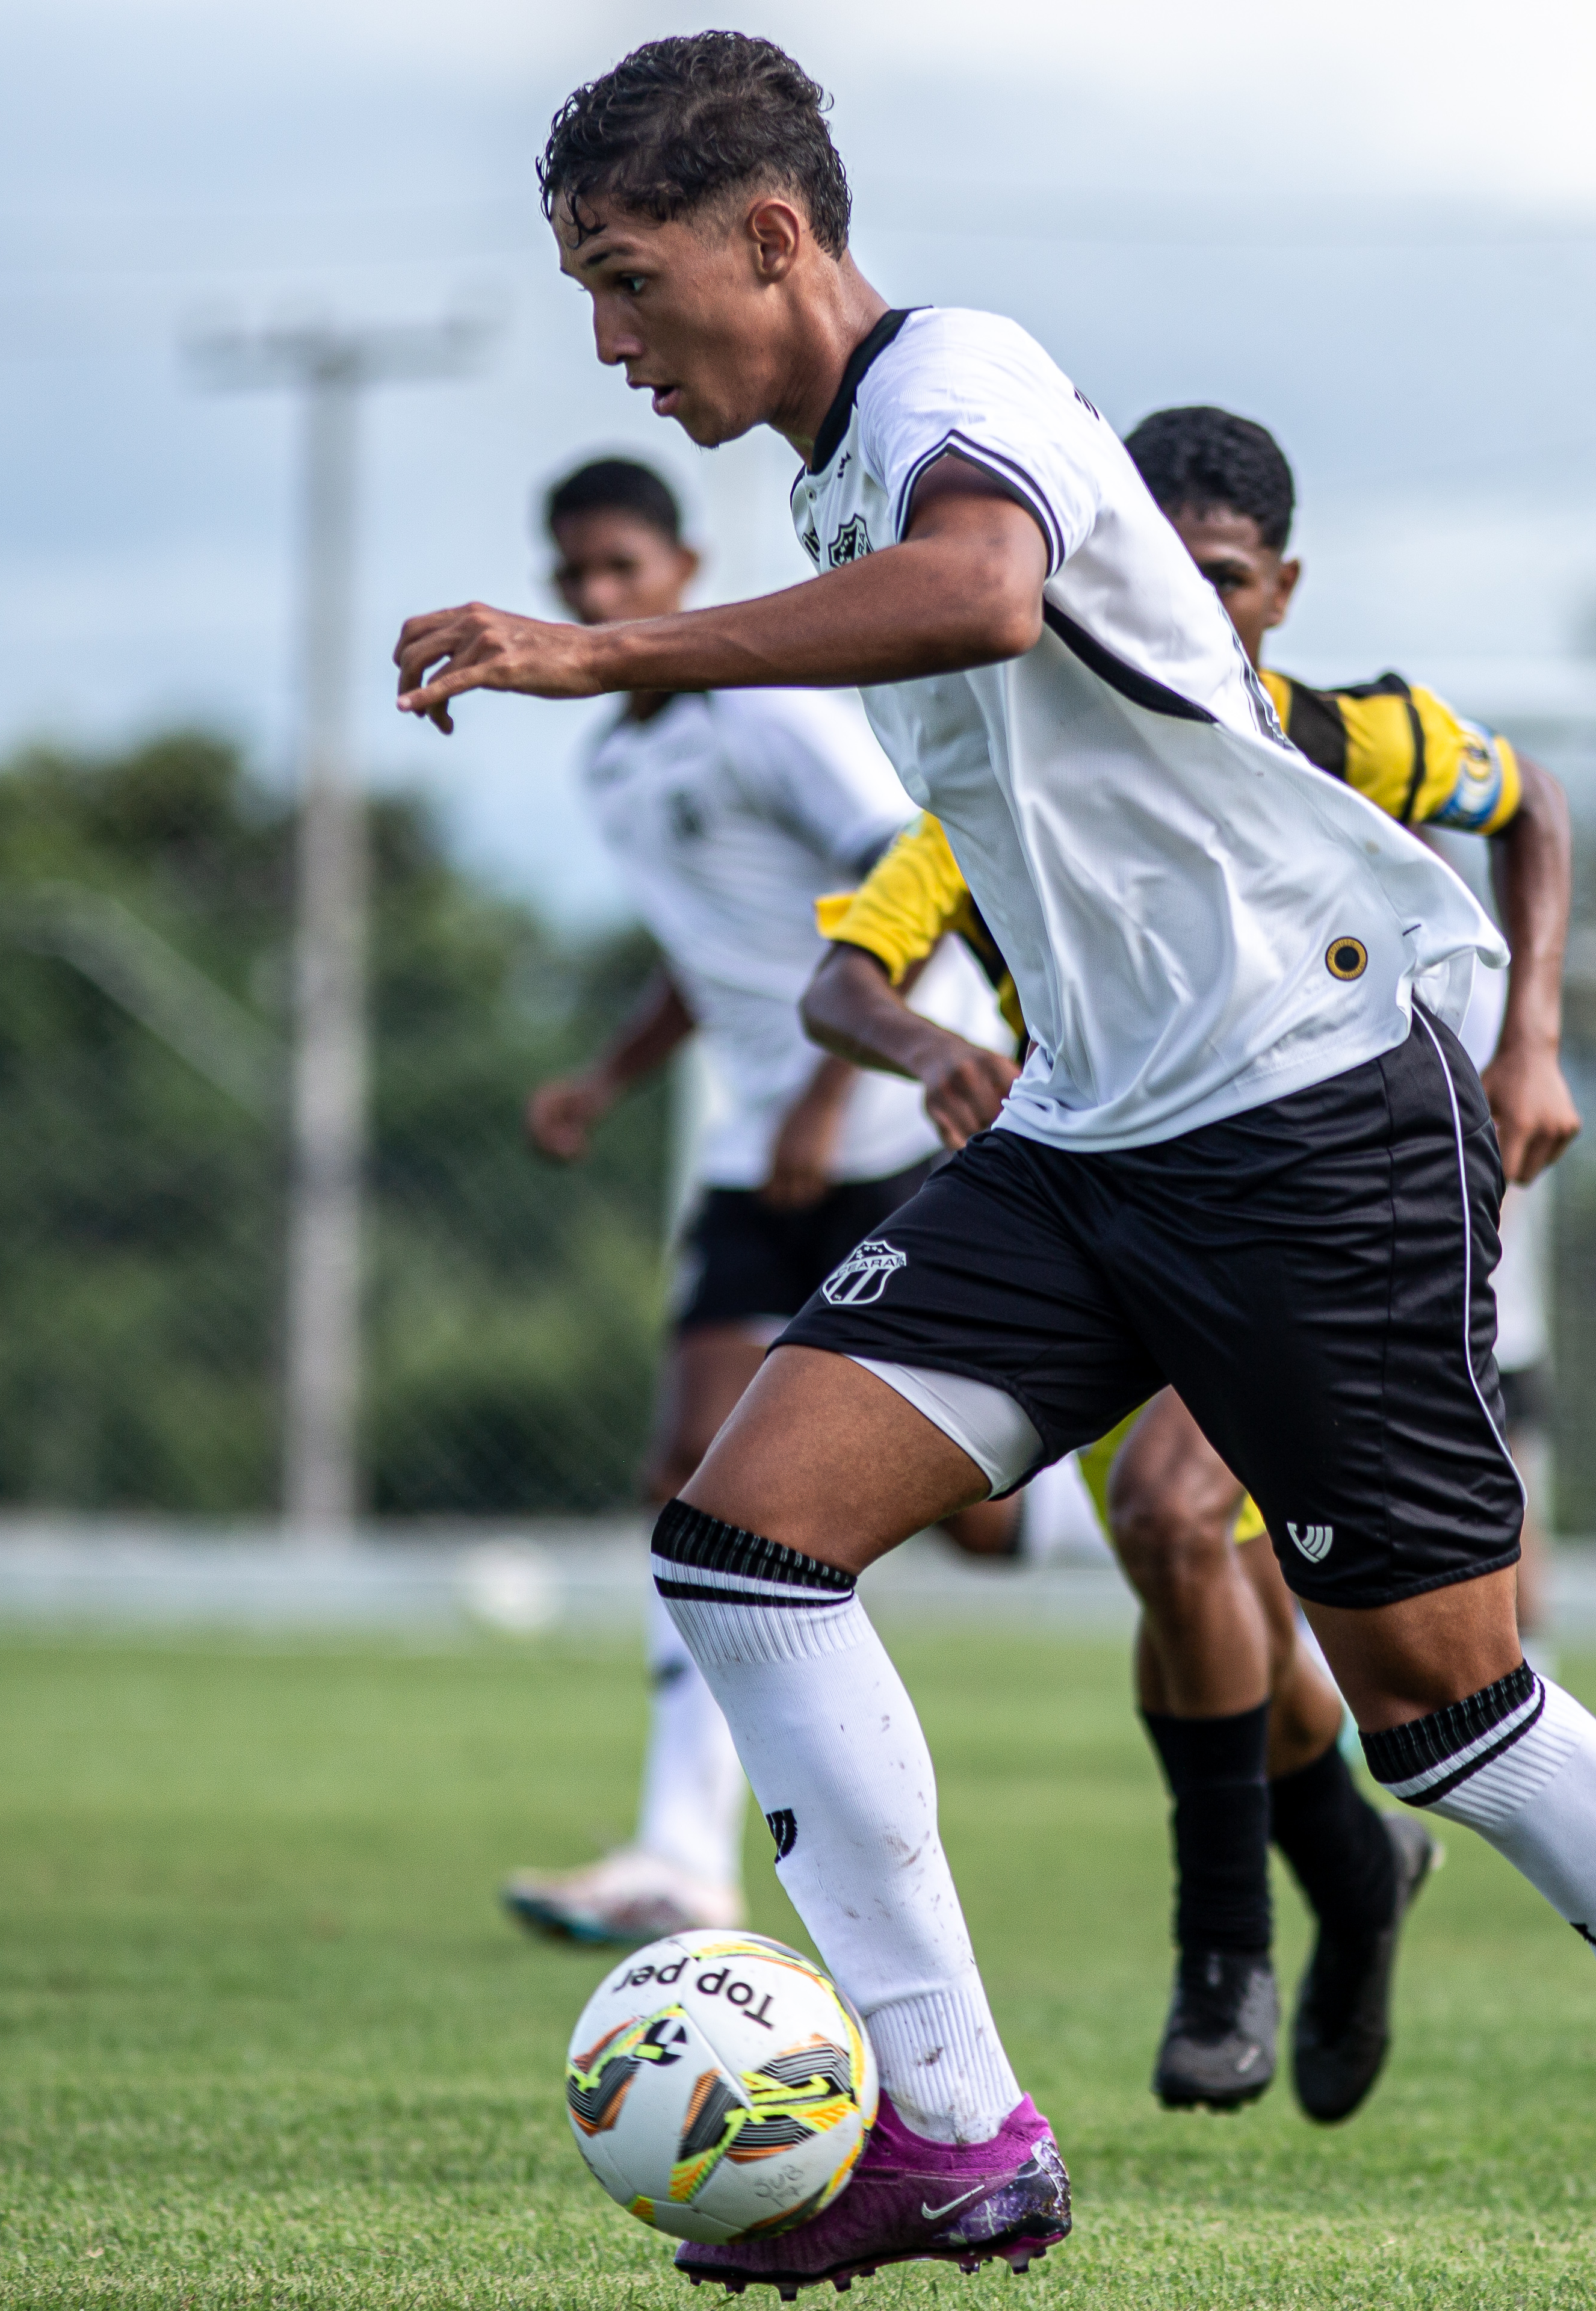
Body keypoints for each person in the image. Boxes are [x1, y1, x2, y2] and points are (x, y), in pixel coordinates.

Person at [394, 37, 1596, 2306]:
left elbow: (982, 593)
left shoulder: (946, 381)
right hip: (1090, 1130)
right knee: (742, 1551)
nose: (603, 338)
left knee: (1450, 1726)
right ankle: (955, 2132)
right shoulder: (824, 481)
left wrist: (610, 647)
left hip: (1303, 1116)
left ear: (771, 239)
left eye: (623, 278)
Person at [800, 403, 1585, 2124]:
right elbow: (852, 966)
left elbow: (1533, 809)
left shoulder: (1342, 735)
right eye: (1150, 571)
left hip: (1321, 1197)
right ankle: (1354, 1881)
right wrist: (926, 1050)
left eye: (1219, 578)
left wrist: (1531, 1039)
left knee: (1182, 1524)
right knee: (1206, 1589)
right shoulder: (1028, 760)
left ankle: (1223, 1947)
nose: (1190, 608)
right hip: (1104, 1215)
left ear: (1278, 590)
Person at [494, 457, 1044, 1947]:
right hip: (754, 1158)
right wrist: (605, 1078)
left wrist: (818, 1097)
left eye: (621, 568)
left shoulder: (766, 714)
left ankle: (1144, 1515)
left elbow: (899, 886)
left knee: (975, 1527)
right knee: (690, 1474)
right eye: (575, 578)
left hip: (877, 1133)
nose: (598, 598)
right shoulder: (610, 762)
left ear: (679, 563)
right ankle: (679, 1852)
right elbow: (713, 944)